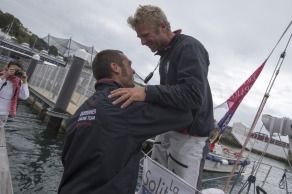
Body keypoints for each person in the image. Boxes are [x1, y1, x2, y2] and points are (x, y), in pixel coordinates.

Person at [108, 5, 214, 192]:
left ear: (163, 27)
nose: (142, 42)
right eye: (140, 37)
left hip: (191, 136)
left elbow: (193, 95)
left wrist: (146, 92)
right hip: (169, 129)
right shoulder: (167, 54)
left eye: (145, 35)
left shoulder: (189, 47)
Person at [58, 49, 193, 194]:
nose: (133, 71)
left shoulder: (80, 111)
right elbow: (185, 116)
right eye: (129, 65)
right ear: (115, 67)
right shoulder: (125, 107)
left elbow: (66, 159)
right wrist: (149, 93)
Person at [0, 60, 29, 128]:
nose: (14, 72)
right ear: (7, 68)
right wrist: (6, 74)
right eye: (13, 69)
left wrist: (24, 81)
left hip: (3, 114)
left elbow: (24, 96)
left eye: (17, 70)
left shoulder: (19, 83)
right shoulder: (1, 76)